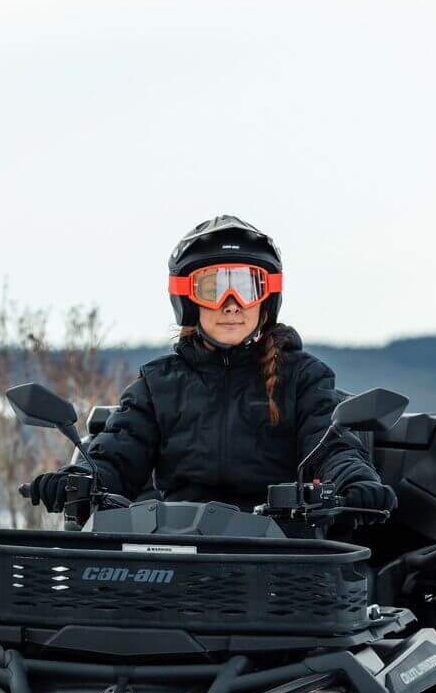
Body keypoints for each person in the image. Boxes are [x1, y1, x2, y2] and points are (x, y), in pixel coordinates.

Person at [25, 215, 396, 518]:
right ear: (188, 299)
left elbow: (333, 446)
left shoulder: (303, 378)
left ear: (266, 298)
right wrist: (77, 479)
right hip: (176, 555)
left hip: (283, 556)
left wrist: (353, 482)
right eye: (212, 288)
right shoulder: (159, 384)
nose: (231, 303)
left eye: (247, 286)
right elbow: (116, 454)